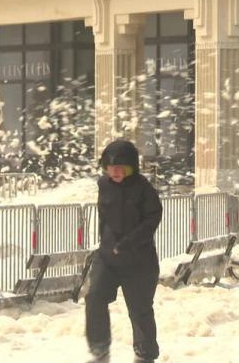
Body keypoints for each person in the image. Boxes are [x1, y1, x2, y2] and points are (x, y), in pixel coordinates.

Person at [85, 140, 163, 363]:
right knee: (95, 297)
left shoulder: (143, 189)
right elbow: (105, 219)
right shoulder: (104, 185)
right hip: (108, 258)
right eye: (111, 167)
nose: (116, 172)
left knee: (140, 310)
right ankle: (100, 350)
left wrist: (128, 242)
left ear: (132, 169)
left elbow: (152, 219)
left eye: (122, 168)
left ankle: (144, 354)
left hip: (140, 260)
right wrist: (106, 245)